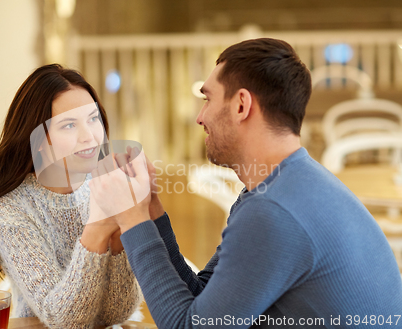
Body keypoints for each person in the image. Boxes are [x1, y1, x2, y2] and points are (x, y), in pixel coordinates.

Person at [89, 38, 402, 328]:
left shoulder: (273, 211)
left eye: (207, 99)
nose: (200, 117)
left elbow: (187, 325)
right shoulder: (280, 187)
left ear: (241, 105)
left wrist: (131, 218)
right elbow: (202, 298)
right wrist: (153, 212)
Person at [0, 64, 141, 329]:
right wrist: (100, 224)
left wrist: (119, 236)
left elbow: (119, 311)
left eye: (93, 119)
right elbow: (63, 321)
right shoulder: (9, 211)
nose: (89, 137)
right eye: (69, 125)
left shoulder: (104, 184)